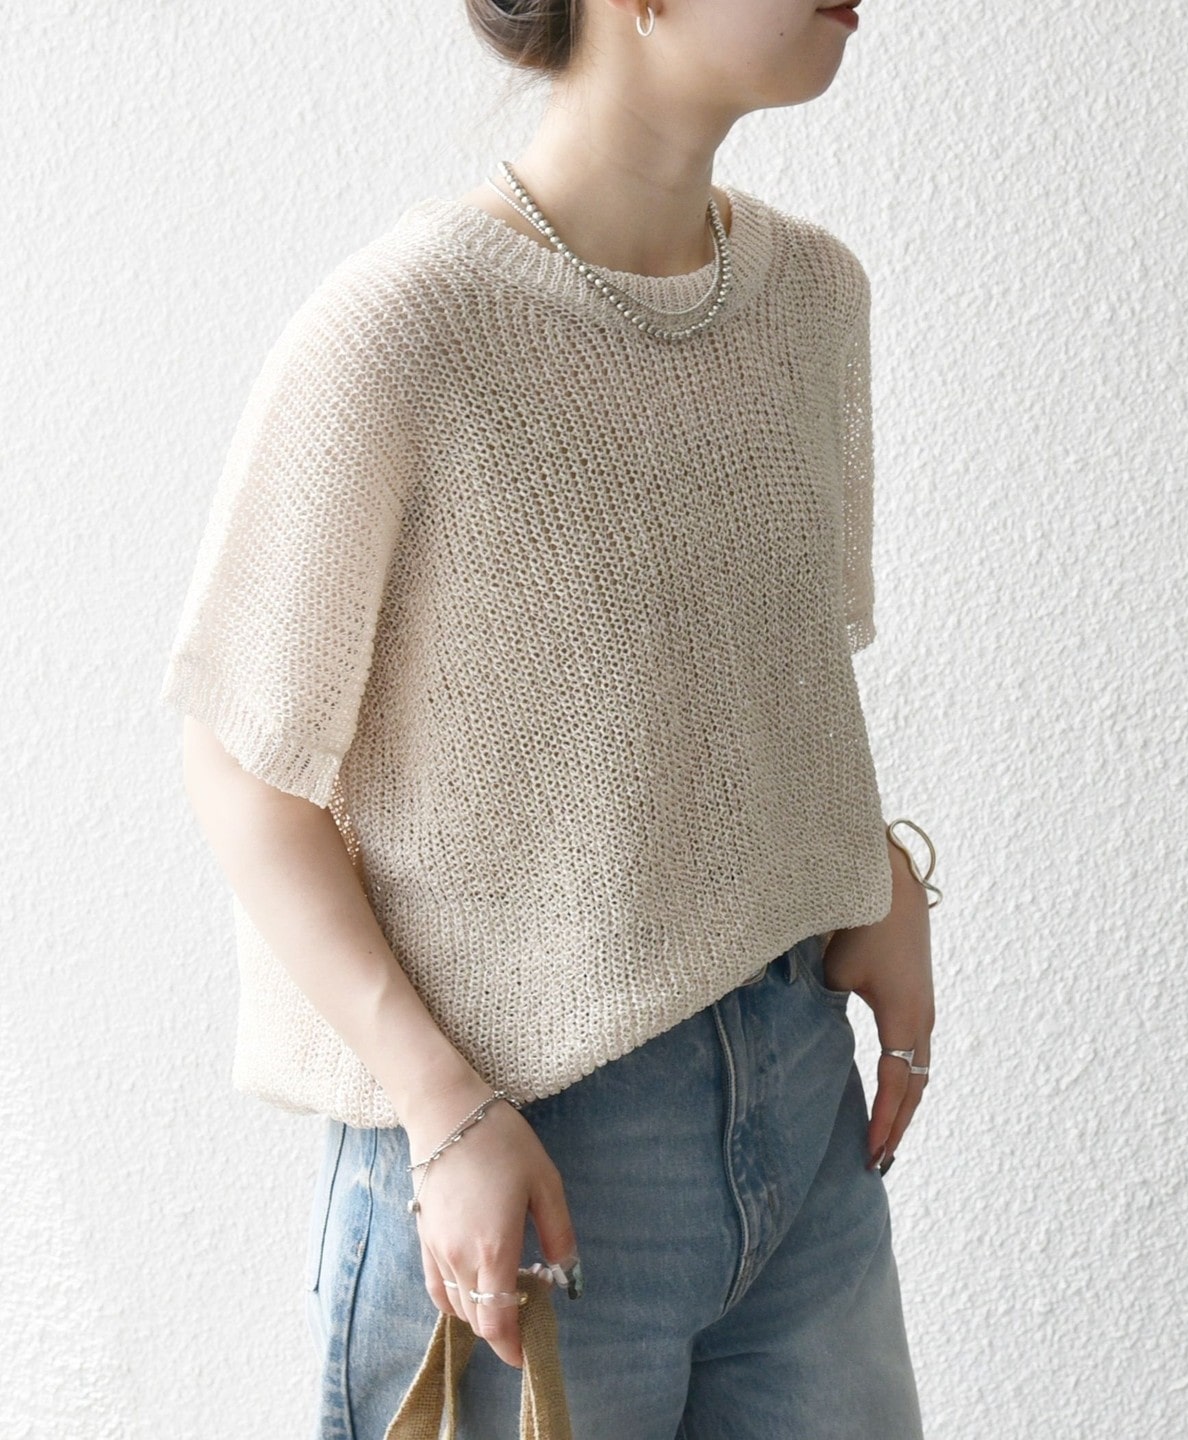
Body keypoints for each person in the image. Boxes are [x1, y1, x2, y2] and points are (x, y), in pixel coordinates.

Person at [160, 1, 937, 1435]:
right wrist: (441, 1106)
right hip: (523, 1157)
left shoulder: (815, 299)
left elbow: (734, 677)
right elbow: (239, 759)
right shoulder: (403, 333)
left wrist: (870, 867)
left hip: (800, 1102)